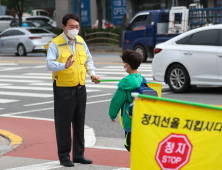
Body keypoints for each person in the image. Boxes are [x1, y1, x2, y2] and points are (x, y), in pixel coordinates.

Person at [46, 13, 100, 167]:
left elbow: (88, 60)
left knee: (79, 122)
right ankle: (64, 156)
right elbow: (49, 64)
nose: (75, 30)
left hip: (80, 88)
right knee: (63, 124)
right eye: (71, 27)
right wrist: (64, 66)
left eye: (77, 27)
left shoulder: (81, 41)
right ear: (64, 27)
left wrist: (92, 74)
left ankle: (78, 155)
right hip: (63, 89)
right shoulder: (55, 44)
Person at [109, 50, 143, 152]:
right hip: (142, 117)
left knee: (130, 145)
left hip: (130, 118)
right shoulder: (141, 78)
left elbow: (116, 101)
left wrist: (112, 115)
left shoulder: (125, 83)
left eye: (124, 63)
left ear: (127, 65)